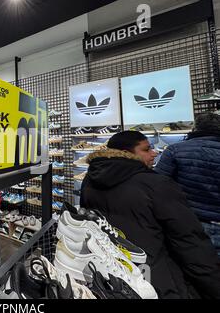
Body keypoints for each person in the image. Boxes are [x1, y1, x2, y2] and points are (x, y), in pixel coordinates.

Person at [80, 131, 220, 299]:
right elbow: (189, 242)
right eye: (146, 149)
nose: (154, 153)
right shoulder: (156, 184)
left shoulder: (89, 180)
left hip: (112, 273)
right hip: (159, 279)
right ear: (126, 153)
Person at [155, 113, 220, 256]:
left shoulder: (175, 150)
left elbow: (158, 185)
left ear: (195, 128)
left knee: (197, 267)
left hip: (192, 221)